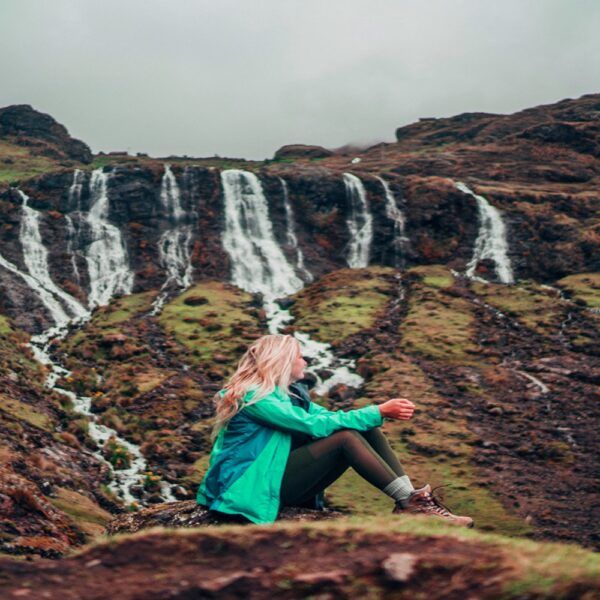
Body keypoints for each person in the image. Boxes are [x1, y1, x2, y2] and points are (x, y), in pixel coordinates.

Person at [196, 334, 473, 527]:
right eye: (300, 357)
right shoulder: (253, 396)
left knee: (364, 429)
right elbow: (312, 425)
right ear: (281, 361)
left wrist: (374, 416)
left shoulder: (290, 396)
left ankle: (412, 502)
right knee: (345, 438)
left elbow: (328, 418)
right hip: (249, 487)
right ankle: (410, 503)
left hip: (274, 479)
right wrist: (378, 410)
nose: (305, 362)